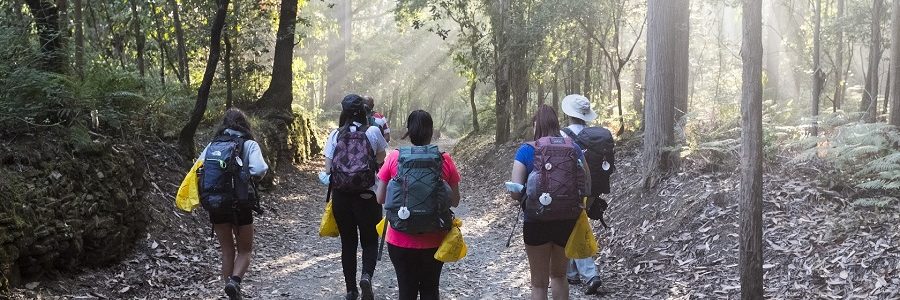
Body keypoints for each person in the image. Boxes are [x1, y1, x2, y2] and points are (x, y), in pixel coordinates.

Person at [376, 110, 462, 300]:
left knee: (406, 292)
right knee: (430, 290)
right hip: (435, 237)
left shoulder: (394, 157)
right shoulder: (444, 159)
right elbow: (454, 201)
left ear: (409, 131)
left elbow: (380, 198)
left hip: (399, 237)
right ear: (431, 132)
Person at [509, 104, 590, 300]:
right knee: (560, 276)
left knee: (538, 284)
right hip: (567, 220)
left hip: (536, 222)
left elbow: (515, 192)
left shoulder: (526, 150)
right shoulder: (574, 148)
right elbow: (586, 184)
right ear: (556, 123)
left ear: (536, 124)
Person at [196, 108, 269, 300]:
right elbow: (260, 169)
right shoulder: (249, 144)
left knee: (227, 250)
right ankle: (234, 282)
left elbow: (199, 167)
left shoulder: (213, 144)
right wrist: (248, 178)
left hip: (216, 203)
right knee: (245, 250)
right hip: (241, 203)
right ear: (244, 124)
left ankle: (228, 289)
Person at [322, 94, 388, 300]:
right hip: (367, 196)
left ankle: (351, 289)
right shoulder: (373, 132)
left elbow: (328, 168)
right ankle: (366, 276)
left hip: (342, 197)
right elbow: (381, 161)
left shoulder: (335, 135)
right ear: (364, 111)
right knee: (369, 240)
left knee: (348, 243)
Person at [558, 94, 604, 295]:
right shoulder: (593, 134)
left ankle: (591, 274)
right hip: (591, 188)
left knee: (574, 228)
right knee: (575, 226)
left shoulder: (562, 134)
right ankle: (572, 273)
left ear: (569, 114)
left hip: (571, 189)